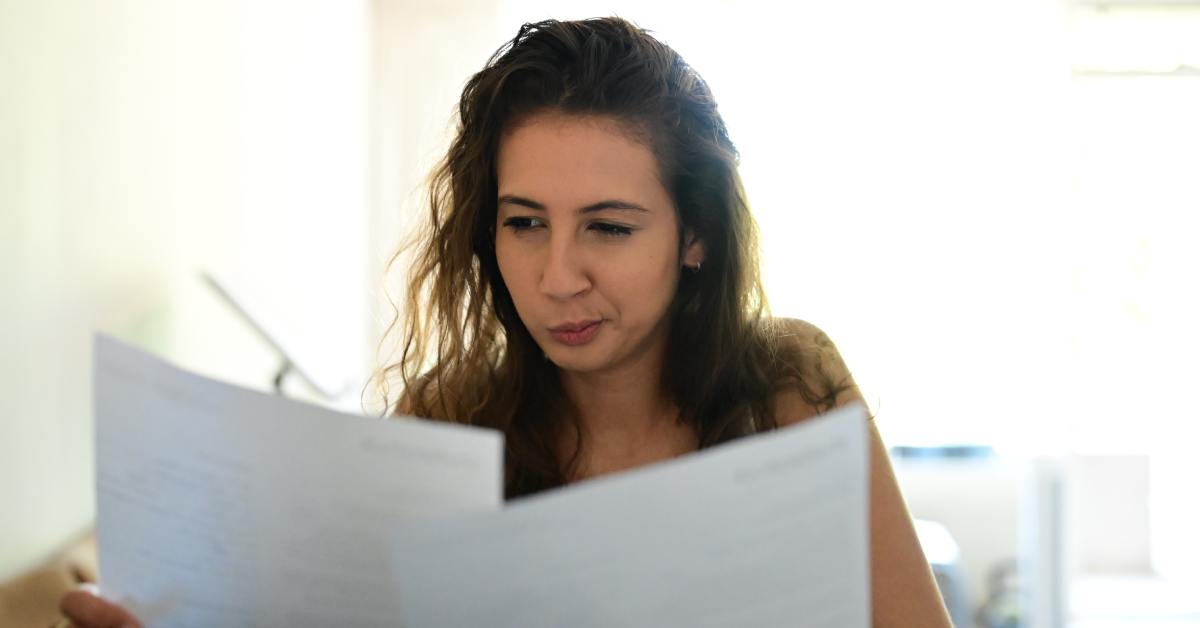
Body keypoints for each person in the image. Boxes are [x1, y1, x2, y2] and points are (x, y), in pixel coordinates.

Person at [61, 16, 952, 627]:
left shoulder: (790, 390)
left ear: (696, 239)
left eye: (608, 226)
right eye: (524, 222)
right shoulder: (446, 421)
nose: (557, 276)